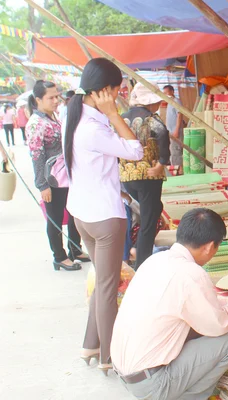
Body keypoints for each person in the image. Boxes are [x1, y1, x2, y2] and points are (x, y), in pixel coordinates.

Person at [111, 208, 228, 400]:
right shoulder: (191, 273)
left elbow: (184, 300)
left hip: (126, 374)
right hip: (151, 384)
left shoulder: (155, 260)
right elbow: (217, 325)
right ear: (210, 246)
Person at [63, 58, 144, 373]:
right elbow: (135, 151)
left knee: (102, 282)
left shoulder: (75, 116)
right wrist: (114, 114)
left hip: (83, 213)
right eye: (117, 90)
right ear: (104, 91)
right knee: (108, 288)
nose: (120, 96)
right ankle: (111, 359)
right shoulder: (94, 126)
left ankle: (90, 345)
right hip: (104, 218)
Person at [25, 80, 88, 272]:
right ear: (38, 100)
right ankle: (59, 256)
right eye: (50, 97)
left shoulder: (53, 118)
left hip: (65, 176)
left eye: (56, 96)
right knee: (55, 217)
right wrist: (42, 185)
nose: (55, 100)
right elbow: (37, 156)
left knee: (72, 213)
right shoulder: (36, 123)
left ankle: (74, 249)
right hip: (51, 180)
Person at [120, 82, 170, 269]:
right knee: (148, 222)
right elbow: (163, 135)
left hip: (127, 176)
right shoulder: (152, 120)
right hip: (149, 175)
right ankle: (142, 263)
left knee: (155, 209)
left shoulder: (122, 118)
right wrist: (161, 164)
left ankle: (138, 250)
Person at [162, 85, 184, 173]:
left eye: (166, 93)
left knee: (176, 151)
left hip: (175, 131)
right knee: (173, 151)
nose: (165, 95)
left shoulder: (176, 101)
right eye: (164, 93)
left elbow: (180, 115)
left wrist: (176, 130)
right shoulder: (169, 103)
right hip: (171, 131)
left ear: (172, 91)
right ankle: (176, 169)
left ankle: (178, 170)